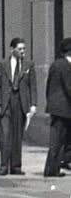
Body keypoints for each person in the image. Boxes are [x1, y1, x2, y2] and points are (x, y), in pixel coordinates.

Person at [0, 37, 37, 176]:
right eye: (20, 49)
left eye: (24, 49)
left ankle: (16, 166)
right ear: (12, 49)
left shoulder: (29, 65)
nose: (23, 51)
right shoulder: (1, 65)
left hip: (20, 103)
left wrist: (33, 104)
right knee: (5, 135)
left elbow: (32, 86)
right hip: (6, 104)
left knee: (17, 136)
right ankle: (4, 166)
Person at [43, 37, 71, 177]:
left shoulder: (56, 64)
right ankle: (51, 169)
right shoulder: (66, 66)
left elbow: (49, 86)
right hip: (64, 108)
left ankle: (55, 168)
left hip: (56, 108)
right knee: (58, 140)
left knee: (59, 140)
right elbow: (69, 87)